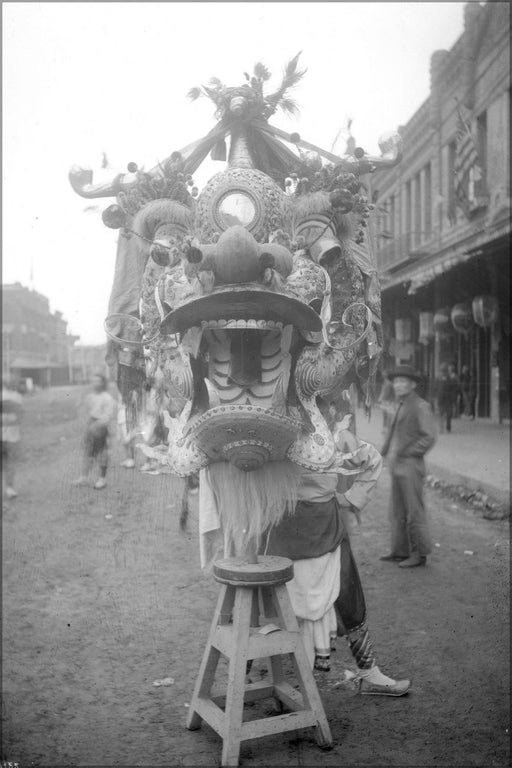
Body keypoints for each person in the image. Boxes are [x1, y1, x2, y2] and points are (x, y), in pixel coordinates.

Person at [199, 402, 411, 697]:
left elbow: (372, 460)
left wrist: (350, 498)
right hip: (278, 529)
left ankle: (369, 672)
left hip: (326, 527)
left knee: (348, 595)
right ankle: (240, 676)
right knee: (263, 603)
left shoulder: (338, 437)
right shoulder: (272, 436)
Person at [380, 365, 437, 568]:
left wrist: (409, 452)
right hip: (397, 465)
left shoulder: (420, 406)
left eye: (403, 381)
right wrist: (383, 453)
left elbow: (429, 437)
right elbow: (392, 433)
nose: (398, 385)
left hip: (411, 466)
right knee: (397, 511)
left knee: (414, 511)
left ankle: (418, 554)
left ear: (412, 385)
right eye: (395, 381)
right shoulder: (400, 404)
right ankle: (400, 551)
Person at [74, 374, 116, 489]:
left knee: (102, 454)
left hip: (100, 427)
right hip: (91, 425)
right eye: (93, 381)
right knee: (87, 453)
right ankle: (84, 477)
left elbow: (108, 416)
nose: (95, 383)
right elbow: (85, 410)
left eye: (98, 381)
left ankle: (102, 479)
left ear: (103, 383)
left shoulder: (107, 398)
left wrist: (97, 425)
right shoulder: (90, 397)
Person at [1, 378, 24, 500]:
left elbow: (20, 415)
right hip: (7, 433)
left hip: (13, 434)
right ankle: (9, 488)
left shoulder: (18, 397)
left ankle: (9, 487)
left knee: (10, 462)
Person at [435, 363, 458, 433]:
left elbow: (453, 387)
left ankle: (447, 427)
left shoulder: (450, 378)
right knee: (441, 413)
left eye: (444, 371)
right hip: (441, 398)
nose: (443, 372)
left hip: (448, 398)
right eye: (442, 371)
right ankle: (441, 428)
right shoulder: (438, 378)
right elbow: (435, 388)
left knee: (448, 414)